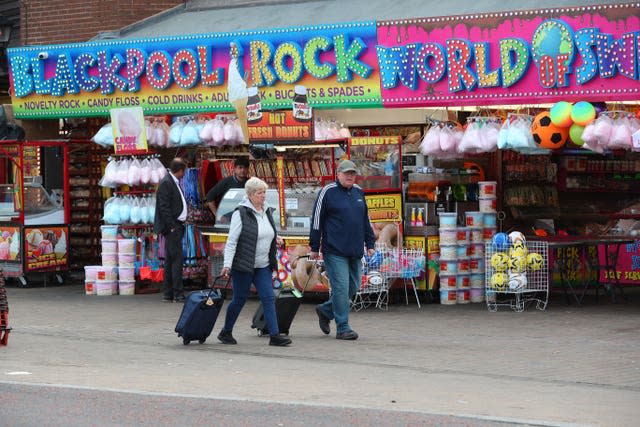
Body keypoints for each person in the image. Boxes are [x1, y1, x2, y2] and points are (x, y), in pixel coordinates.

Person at [217, 177, 291, 347]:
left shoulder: (266, 211)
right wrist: (227, 265)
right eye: (259, 193)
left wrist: (276, 237)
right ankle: (226, 331)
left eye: (264, 192)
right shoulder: (240, 213)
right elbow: (232, 241)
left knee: (268, 298)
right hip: (243, 265)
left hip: (263, 264)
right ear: (250, 195)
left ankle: (274, 335)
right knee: (239, 299)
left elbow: (267, 231)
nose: (263, 196)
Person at [309, 159, 375, 340]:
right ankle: (343, 327)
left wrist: (370, 244)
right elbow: (316, 219)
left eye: (352, 173)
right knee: (341, 288)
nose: (350, 176)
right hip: (334, 250)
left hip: (355, 250)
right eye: (346, 173)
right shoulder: (327, 192)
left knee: (353, 287)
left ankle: (325, 310)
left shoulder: (359, 193)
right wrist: (314, 246)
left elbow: (365, 220)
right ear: (338, 174)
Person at [154, 158, 188, 303]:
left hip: (175, 225)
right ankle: (177, 293)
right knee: (176, 260)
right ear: (180, 170)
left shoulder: (171, 182)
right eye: (183, 171)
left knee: (170, 260)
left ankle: (168, 293)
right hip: (172, 227)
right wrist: (172, 226)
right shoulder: (167, 183)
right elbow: (164, 207)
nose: (184, 174)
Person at [205, 157, 250, 224]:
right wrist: (218, 216)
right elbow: (209, 197)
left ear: (248, 170)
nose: (243, 170)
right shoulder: (226, 182)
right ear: (234, 169)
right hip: (226, 218)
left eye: (245, 168)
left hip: (244, 219)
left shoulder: (250, 183)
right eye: (240, 168)